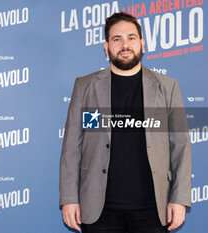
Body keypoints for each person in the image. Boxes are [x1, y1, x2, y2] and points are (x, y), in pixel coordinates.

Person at [59, 12, 191, 233]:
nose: (125, 45)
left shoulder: (167, 87)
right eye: (116, 39)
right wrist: (69, 198)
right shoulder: (86, 87)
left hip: (152, 208)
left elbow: (181, 146)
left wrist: (179, 199)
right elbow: (72, 147)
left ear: (142, 43)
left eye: (131, 37)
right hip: (99, 210)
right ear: (106, 46)